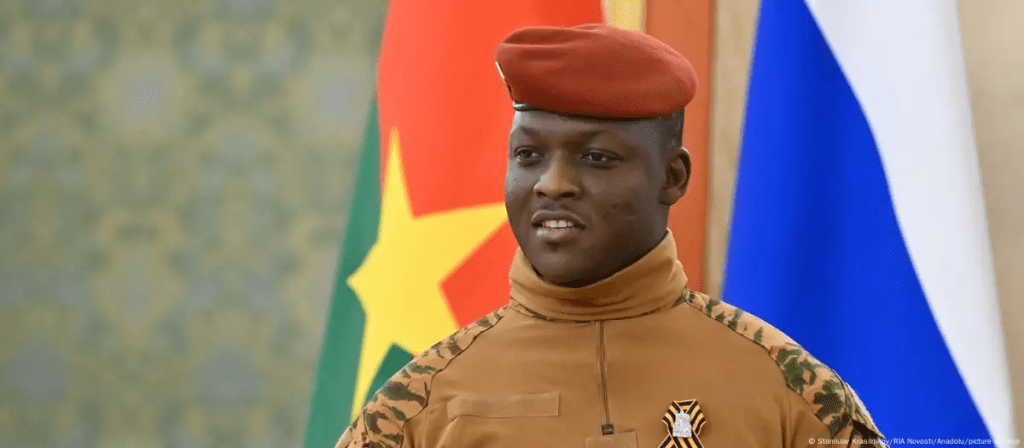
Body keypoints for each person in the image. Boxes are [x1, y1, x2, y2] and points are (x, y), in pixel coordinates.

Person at [336, 23, 885, 448]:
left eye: (596, 158)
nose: (552, 184)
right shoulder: (416, 409)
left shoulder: (791, 391)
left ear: (672, 177)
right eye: (528, 155)